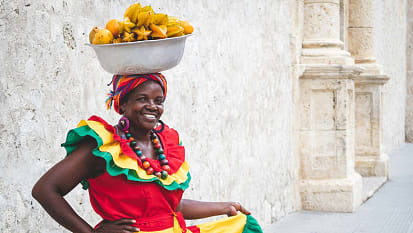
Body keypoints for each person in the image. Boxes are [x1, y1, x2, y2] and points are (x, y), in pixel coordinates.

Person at [32, 73, 263, 233]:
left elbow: (168, 208)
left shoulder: (166, 146)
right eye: (142, 99)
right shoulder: (103, 147)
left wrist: (224, 206)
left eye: (158, 100)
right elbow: (45, 190)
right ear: (121, 104)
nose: (152, 106)